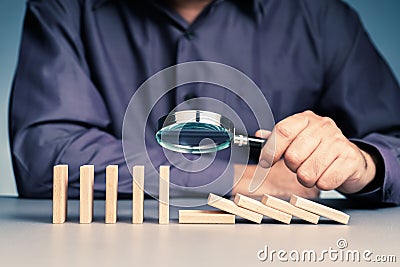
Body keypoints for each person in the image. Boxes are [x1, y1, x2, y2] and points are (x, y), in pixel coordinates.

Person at [9, 0, 400, 205]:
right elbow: (46, 155)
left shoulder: (322, 18)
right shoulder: (63, 8)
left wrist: (363, 165)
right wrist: (228, 178)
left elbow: (393, 146)